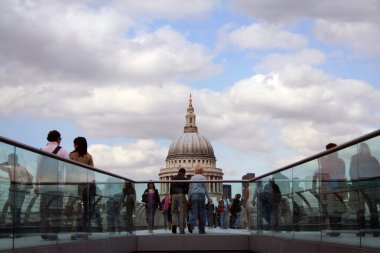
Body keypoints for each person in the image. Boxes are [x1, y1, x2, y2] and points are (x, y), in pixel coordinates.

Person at [36, 130, 69, 240]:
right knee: (55, 211)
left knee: (44, 211)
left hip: (44, 186)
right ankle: (53, 235)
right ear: (58, 139)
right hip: (56, 185)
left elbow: (38, 169)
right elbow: (69, 167)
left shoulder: (41, 150)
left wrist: (37, 185)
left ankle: (44, 233)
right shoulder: (62, 151)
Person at [312, 143, 346, 237]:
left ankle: (336, 230)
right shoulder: (328, 161)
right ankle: (335, 230)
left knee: (336, 209)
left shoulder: (338, 161)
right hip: (331, 187)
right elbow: (317, 172)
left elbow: (338, 173)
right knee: (331, 210)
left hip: (336, 187)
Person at [349, 142, 380, 237]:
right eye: (360, 148)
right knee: (365, 209)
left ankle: (371, 230)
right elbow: (352, 172)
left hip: (369, 186)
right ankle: (368, 230)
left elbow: (378, 172)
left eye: (363, 148)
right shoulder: (357, 158)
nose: (361, 150)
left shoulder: (372, 159)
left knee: (371, 209)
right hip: (365, 186)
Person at [68, 136, 95, 239]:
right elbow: (92, 173)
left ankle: (74, 232)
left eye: (74, 144)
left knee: (74, 209)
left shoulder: (71, 155)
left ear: (77, 145)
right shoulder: (89, 157)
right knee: (85, 210)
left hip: (74, 186)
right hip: (86, 187)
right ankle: (85, 233)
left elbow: (68, 170)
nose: (73, 146)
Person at [0, 153, 33, 237]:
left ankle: (16, 233)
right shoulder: (14, 168)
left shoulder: (17, 168)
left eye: (10, 159)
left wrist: (25, 188)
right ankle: (16, 231)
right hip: (14, 190)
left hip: (18, 191)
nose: (9, 161)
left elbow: (30, 176)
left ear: (14, 160)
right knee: (14, 211)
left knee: (16, 211)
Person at [188, 165, 209, 234]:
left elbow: (190, 189)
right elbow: (205, 189)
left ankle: (191, 222)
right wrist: (208, 198)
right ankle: (202, 230)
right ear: (201, 170)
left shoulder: (192, 178)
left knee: (194, 211)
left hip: (193, 195)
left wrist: (189, 198)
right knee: (202, 213)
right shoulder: (203, 178)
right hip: (201, 195)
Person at [169, 168, 189, 234]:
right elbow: (187, 189)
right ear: (184, 172)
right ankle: (181, 229)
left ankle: (174, 226)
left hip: (174, 195)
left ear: (179, 172)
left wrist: (171, 197)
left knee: (174, 211)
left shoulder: (173, 178)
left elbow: (171, 188)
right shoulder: (185, 179)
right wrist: (185, 193)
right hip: (181, 194)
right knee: (182, 212)